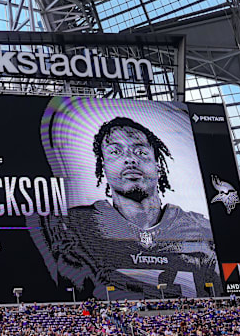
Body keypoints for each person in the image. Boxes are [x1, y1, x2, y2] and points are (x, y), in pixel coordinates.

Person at [35, 116, 219, 300]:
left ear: (158, 166)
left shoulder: (202, 230)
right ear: (103, 168)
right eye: (115, 152)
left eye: (140, 152)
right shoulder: (75, 226)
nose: (130, 159)